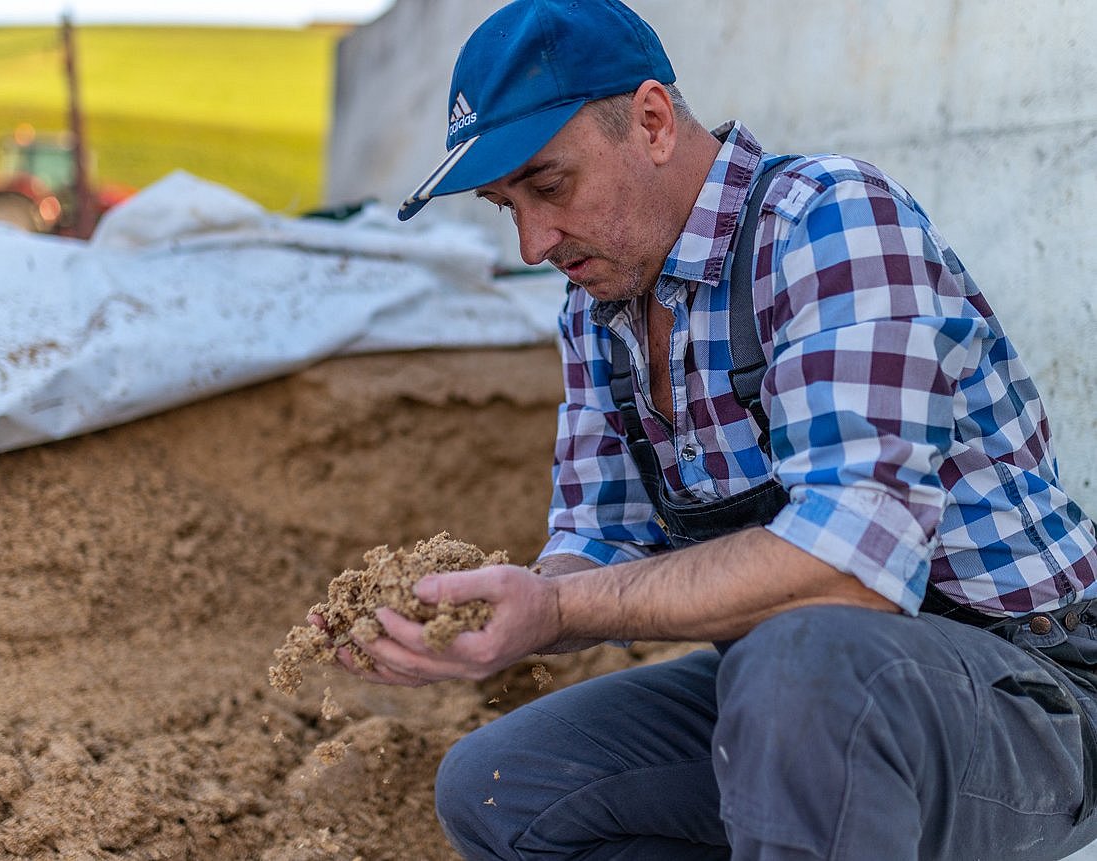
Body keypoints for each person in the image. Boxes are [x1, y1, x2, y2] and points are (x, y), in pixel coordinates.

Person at [332, 0, 1097, 857]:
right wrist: (489, 609)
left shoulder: (826, 220)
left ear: (653, 121)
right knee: (498, 785)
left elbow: (851, 567)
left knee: (800, 668)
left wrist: (556, 606)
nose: (534, 241)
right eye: (505, 206)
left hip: (1028, 694)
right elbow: (599, 541)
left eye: (549, 186)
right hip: (796, 693)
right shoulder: (598, 305)